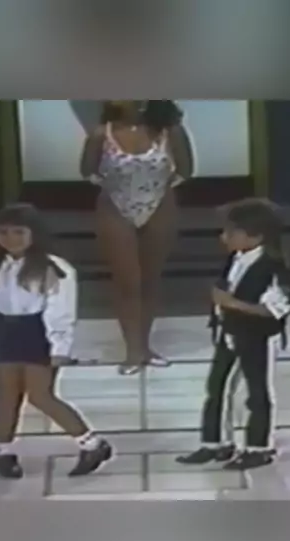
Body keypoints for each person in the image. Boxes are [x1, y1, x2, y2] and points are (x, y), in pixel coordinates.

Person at [0, 203, 114, 479]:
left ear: (34, 233)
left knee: (40, 395)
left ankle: (92, 444)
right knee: (7, 395)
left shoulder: (53, 267)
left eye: (18, 232)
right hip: (3, 330)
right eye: (3, 232)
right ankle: (3, 450)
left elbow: (61, 309)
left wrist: (60, 346)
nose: (10, 239)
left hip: (37, 331)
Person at [176, 198, 290, 471]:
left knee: (256, 391)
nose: (224, 237)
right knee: (217, 386)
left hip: (258, 337)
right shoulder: (235, 258)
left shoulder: (272, 267)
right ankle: (216, 442)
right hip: (230, 331)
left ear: (256, 236)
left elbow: (276, 308)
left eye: (231, 232)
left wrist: (232, 303)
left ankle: (259, 447)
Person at [80, 100, 194, 374]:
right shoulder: (101, 134)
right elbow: (87, 171)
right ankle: (132, 351)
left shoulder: (170, 131)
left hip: (159, 206)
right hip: (115, 207)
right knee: (127, 282)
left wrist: (158, 189)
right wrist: (114, 187)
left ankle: (145, 346)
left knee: (150, 279)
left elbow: (186, 170)